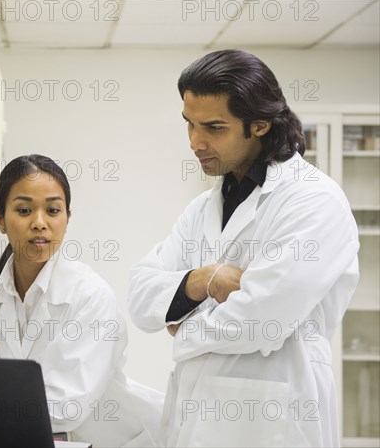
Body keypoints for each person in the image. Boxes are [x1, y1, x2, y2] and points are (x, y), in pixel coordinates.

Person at [127, 50, 359, 447]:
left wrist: (184, 329)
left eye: (214, 128)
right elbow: (141, 295)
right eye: (189, 125)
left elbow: (261, 318)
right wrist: (202, 281)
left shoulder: (313, 201)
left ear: (261, 125)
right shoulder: (202, 208)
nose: (195, 142)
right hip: (197, 415)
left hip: (273, 419)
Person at [0, 154, 163, 447]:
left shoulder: (90, 297)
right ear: (0, 219)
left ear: (67, 219)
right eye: (24, 210)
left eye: (52, 210)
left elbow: (66, 406)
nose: (40, 223)